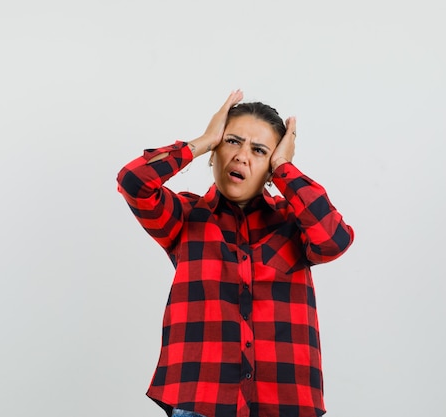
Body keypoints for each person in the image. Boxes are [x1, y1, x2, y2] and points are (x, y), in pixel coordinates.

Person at [116, 90, 354, 417]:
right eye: (231, 142)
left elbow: (334, 240)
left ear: (271, 168)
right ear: (215, 153)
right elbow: (133, 181)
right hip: (200, 403)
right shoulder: (184, 216)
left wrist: (284, 167)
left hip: (285, 405)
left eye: (259, 151)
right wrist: (202, 141)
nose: (242, 156)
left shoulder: (294, 222)